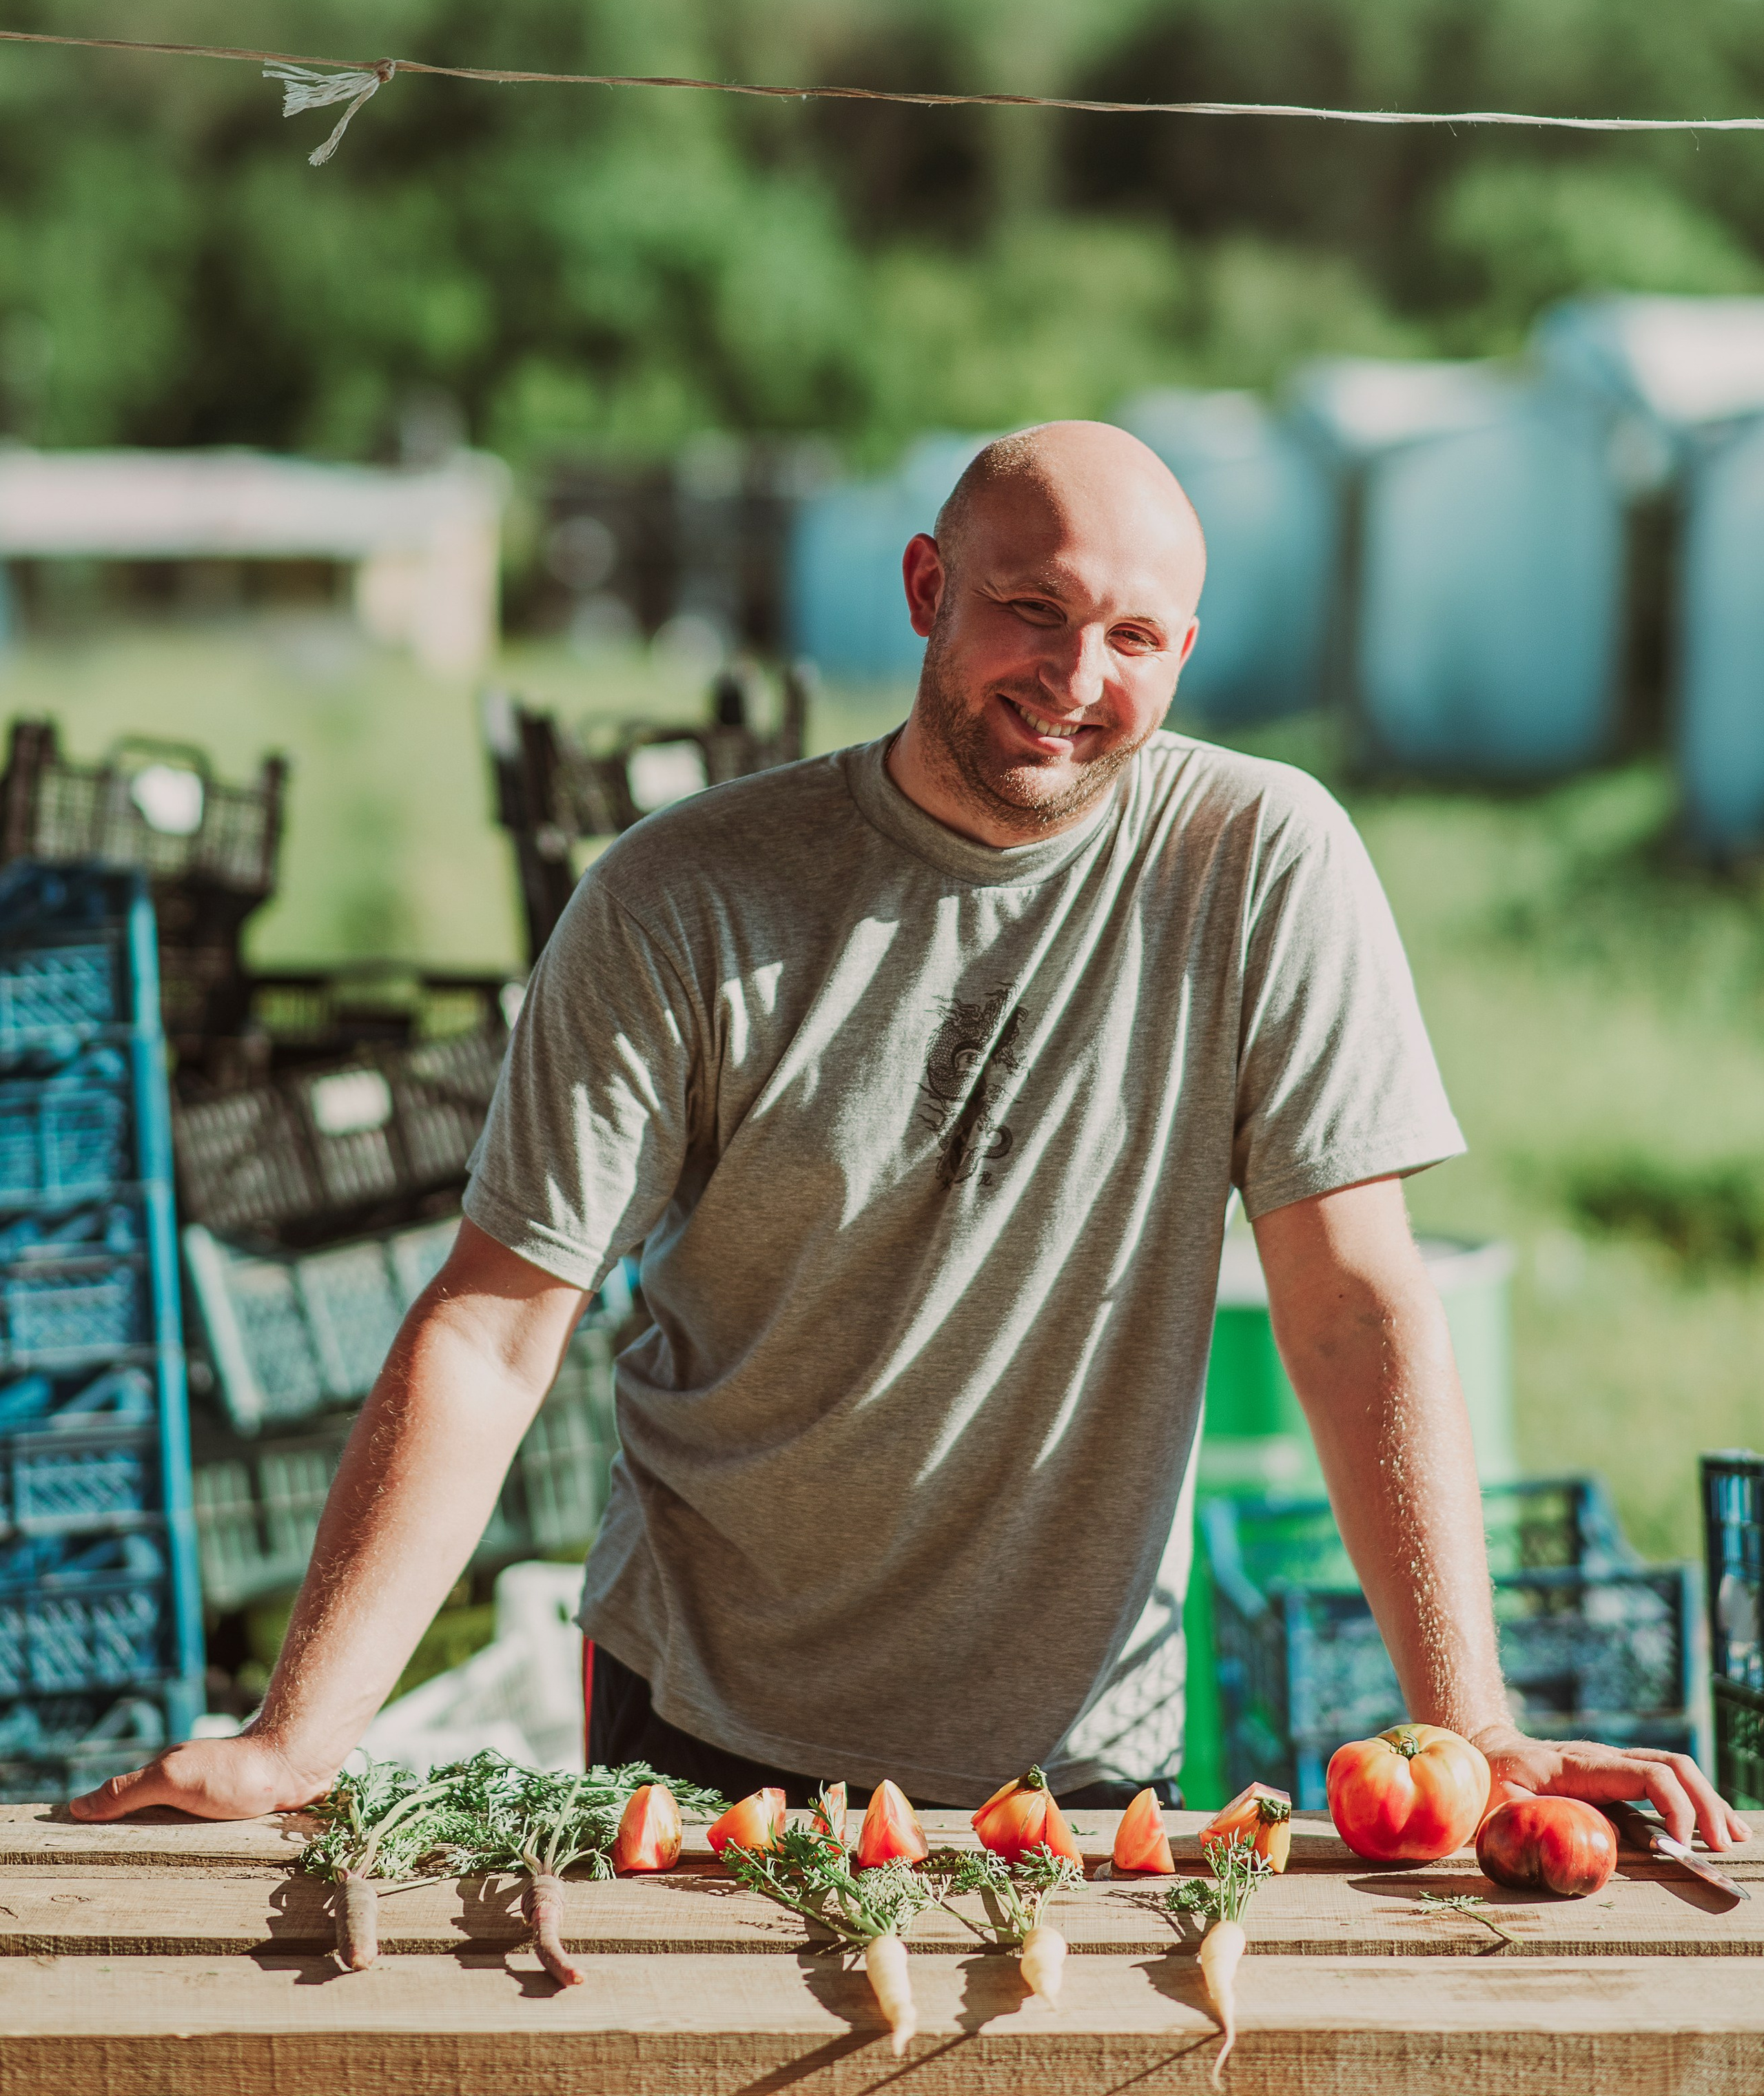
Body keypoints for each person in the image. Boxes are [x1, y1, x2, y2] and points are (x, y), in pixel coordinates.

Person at [77, 422, 1745, 1847]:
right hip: (710, 1706)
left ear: (1186, 646)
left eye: (1134, 638)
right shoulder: (681, 895)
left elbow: (1352, 1300)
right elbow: (499, 1330)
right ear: (927, 588)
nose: (1075, 682)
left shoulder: (1259, 863)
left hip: (1083, 1736)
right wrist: (302, 1735)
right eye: (1030, 611)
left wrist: (1474, 1723)